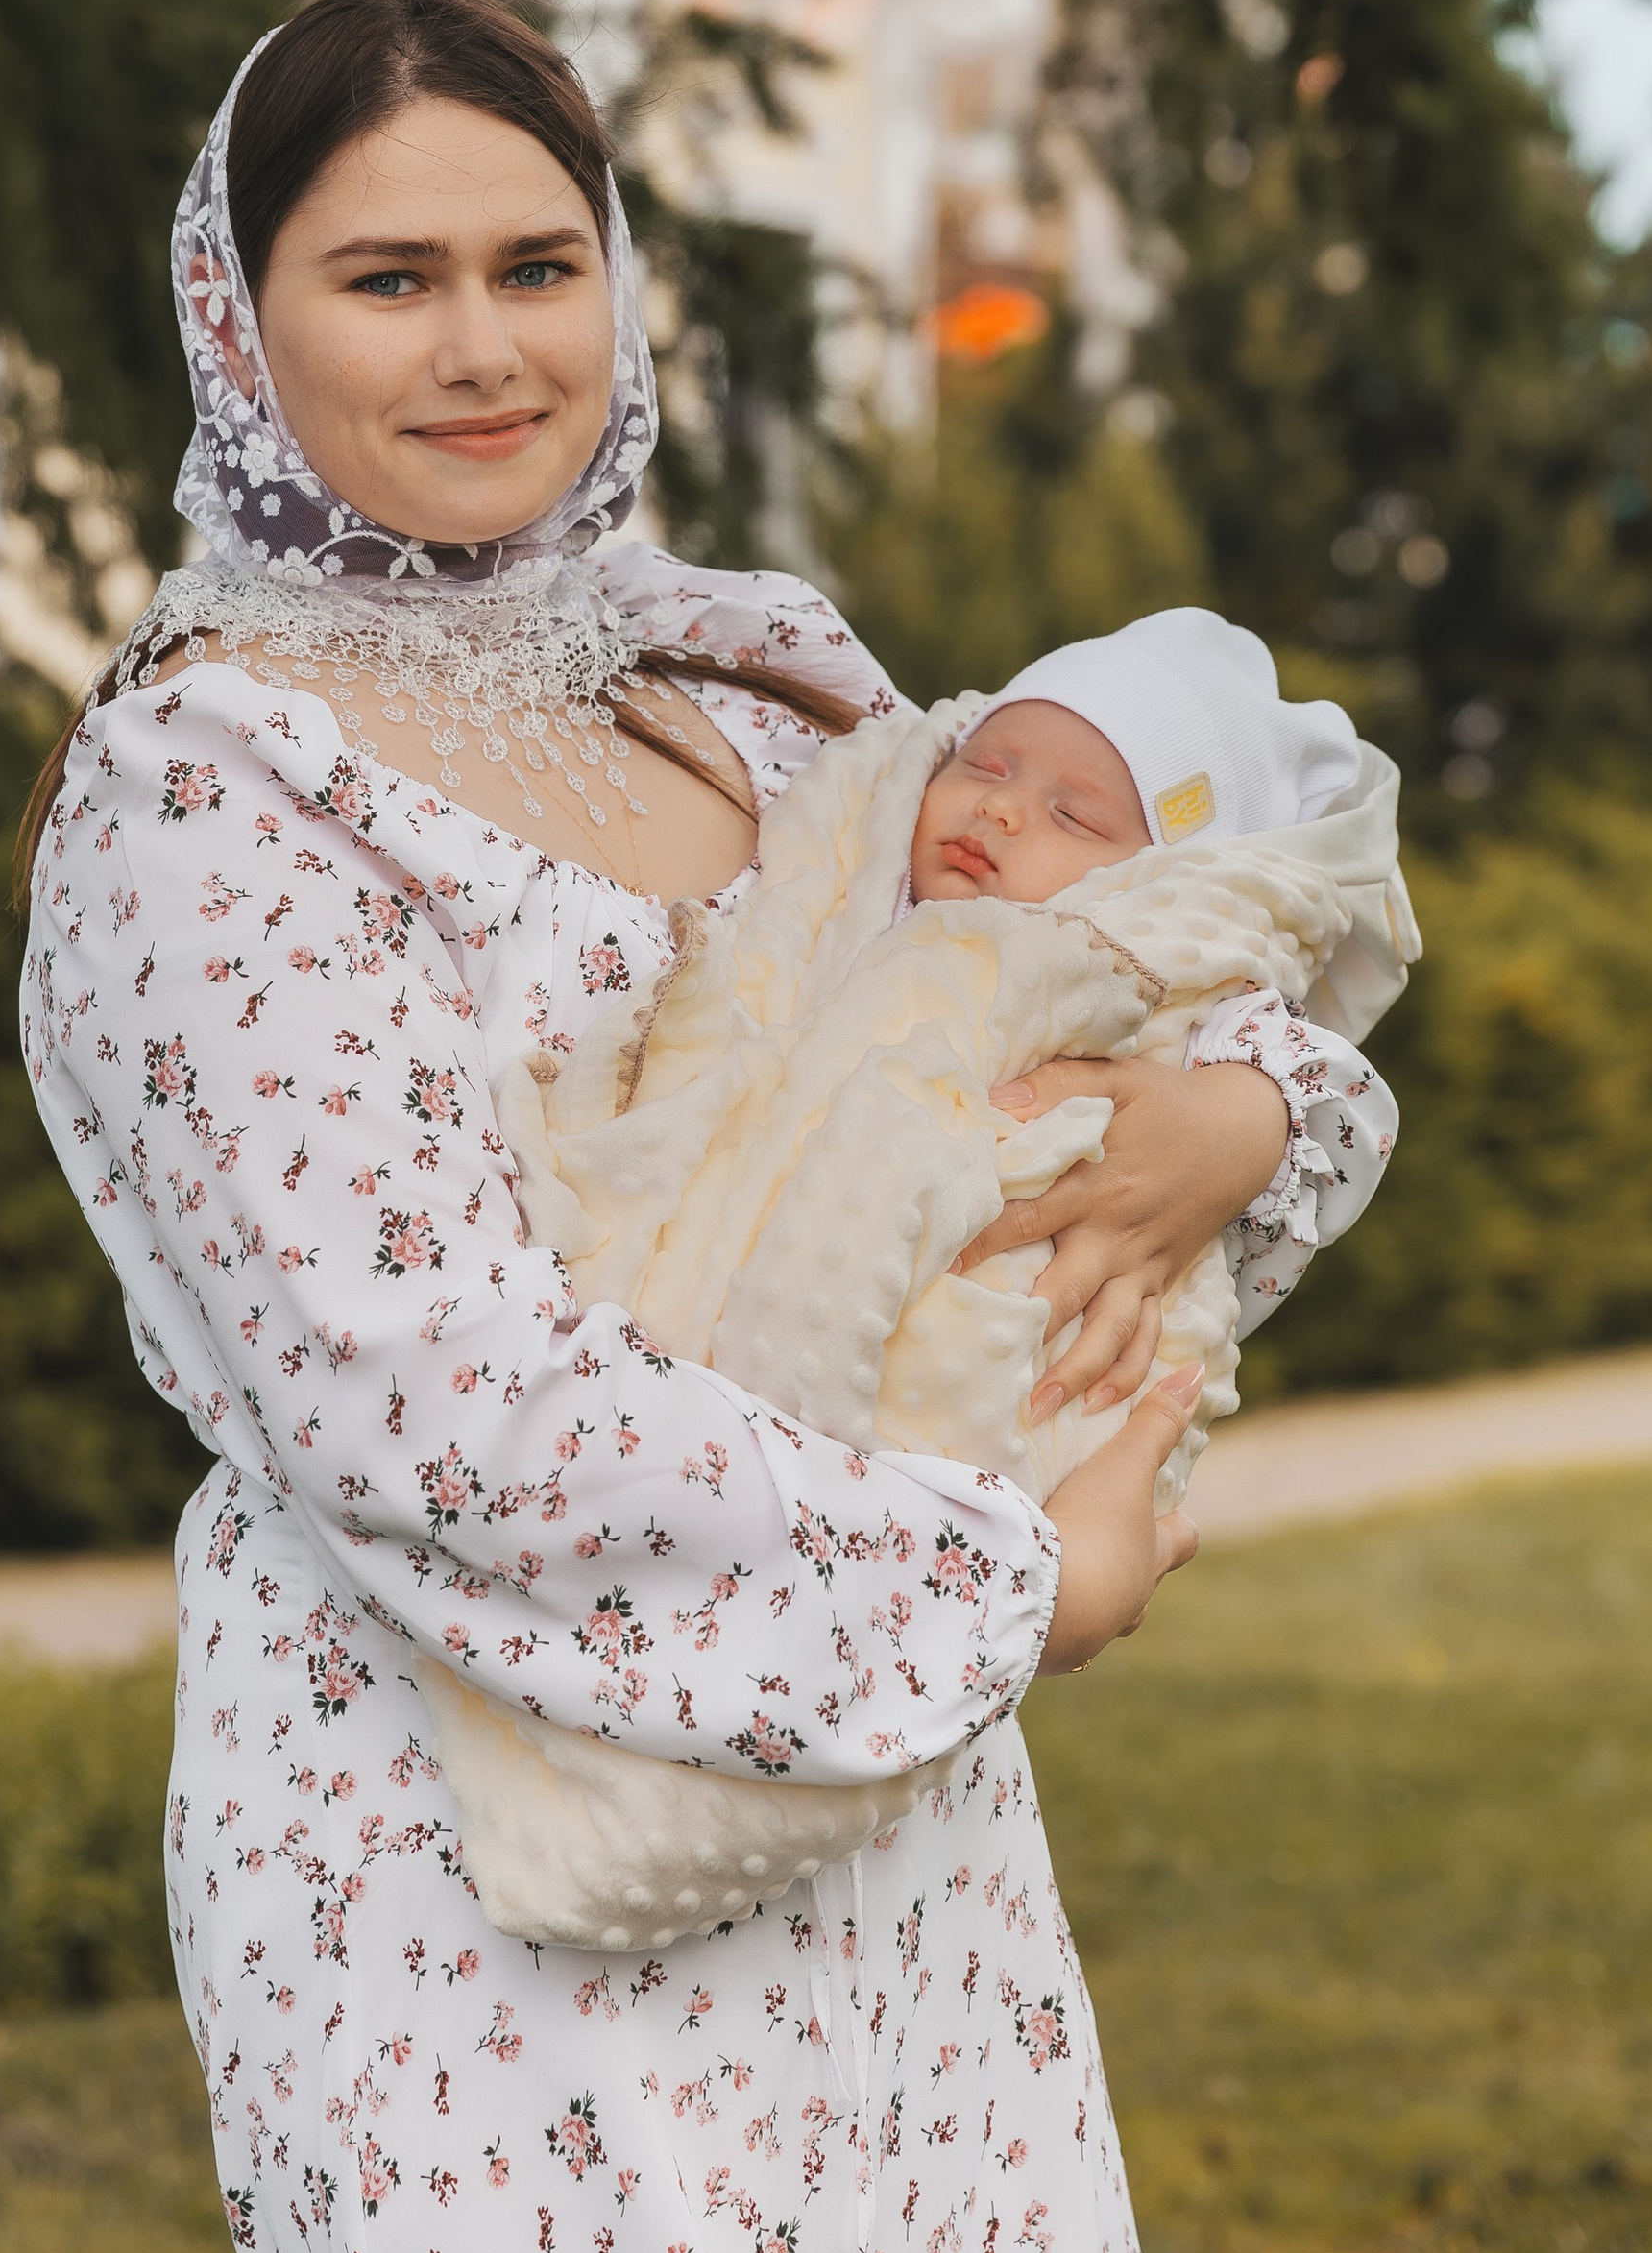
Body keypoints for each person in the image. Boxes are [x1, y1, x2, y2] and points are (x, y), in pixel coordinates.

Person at [17, 0, 1389, 2253]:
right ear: (239, 327)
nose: (480, 351)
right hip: (469, 1841)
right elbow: (428, 1414)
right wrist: (1004, 1591)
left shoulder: (756, 678)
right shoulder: (207, 797)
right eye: (387, 279)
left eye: (536, 269)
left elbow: (1124, 958)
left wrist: (1252, 1107)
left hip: (893, 1829)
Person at [425, 610, 1414, 1956]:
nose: (1002, 817)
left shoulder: (1163, 973)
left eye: (1076, 812)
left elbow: (1336, 1104)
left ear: (1165, 871)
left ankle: (723, 1755)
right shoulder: (851, 896)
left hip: (998, 1368)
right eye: (990, 765)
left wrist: (1246, 1118)